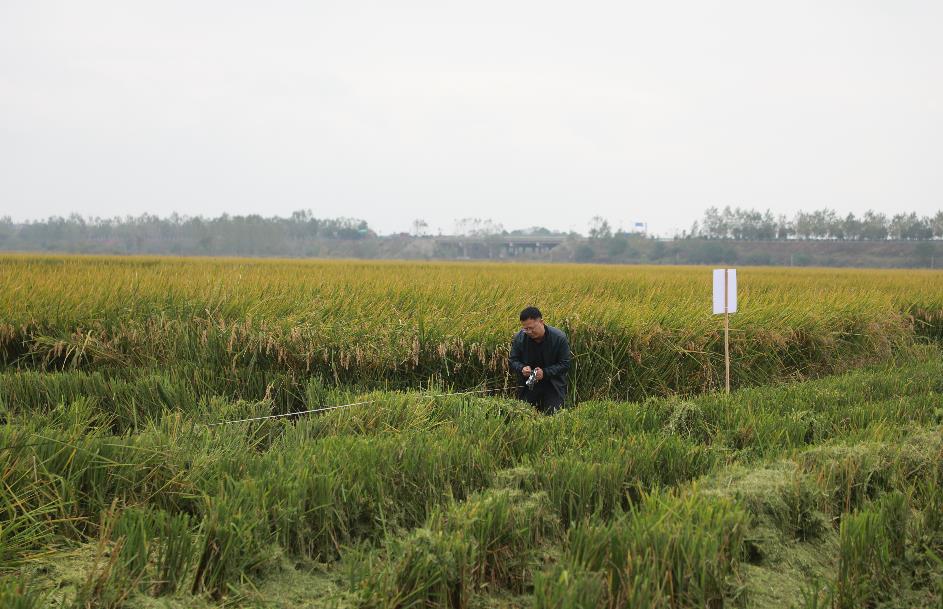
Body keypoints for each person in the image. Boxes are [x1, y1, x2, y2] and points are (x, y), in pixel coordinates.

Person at [508, 306, 571, 414]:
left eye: (532, 328)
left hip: (553, 383)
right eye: (525, 329)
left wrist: (545, 373)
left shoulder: (559, 337)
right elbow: (513, 360)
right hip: (529, 384)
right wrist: (522, 368)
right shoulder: (520, 337)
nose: (529, 331)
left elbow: (565, 364)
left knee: (554, 415)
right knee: (522, 415)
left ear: (541, 322)